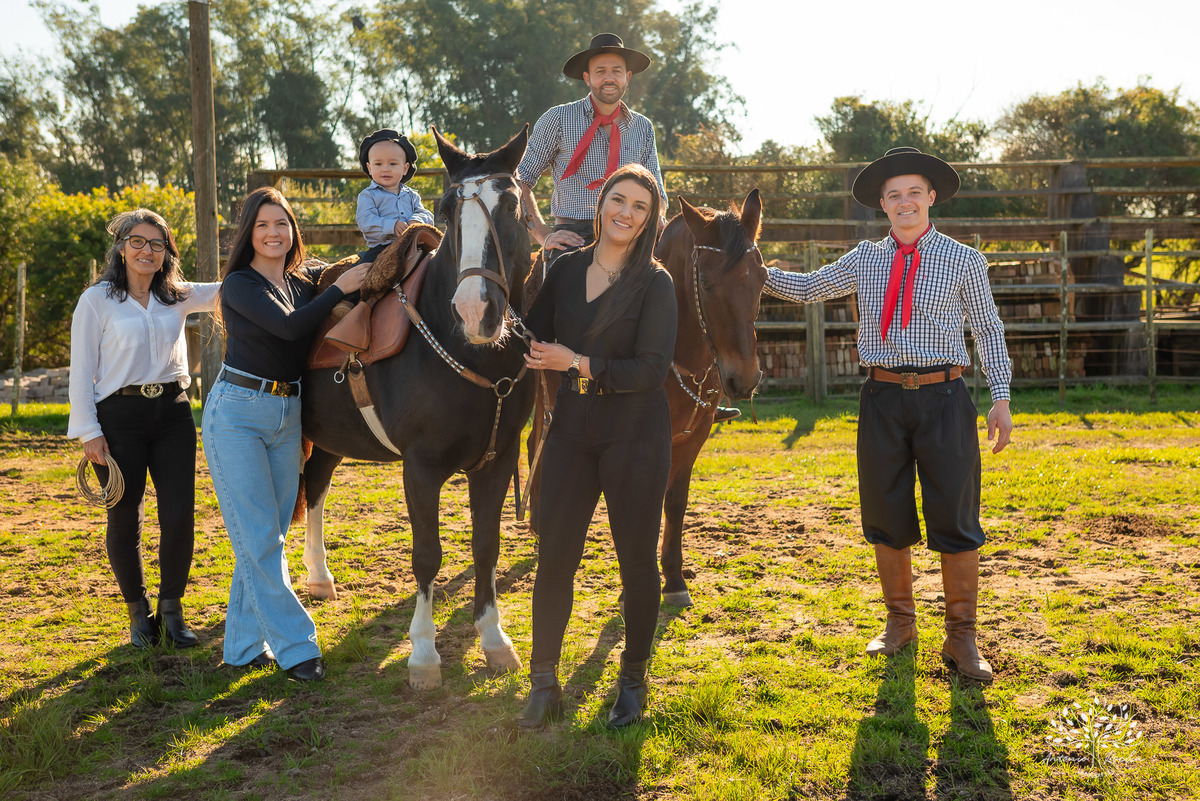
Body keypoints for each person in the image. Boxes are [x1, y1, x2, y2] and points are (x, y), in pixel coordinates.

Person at [762, 147, 1014, 683]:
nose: (905, 202)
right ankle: (901, 622)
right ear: (882, 203)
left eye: (914, 192)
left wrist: (1001, 396)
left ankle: (961, 637)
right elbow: (808, 288)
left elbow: (988, 329)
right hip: (881, 398)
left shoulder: (964, 259)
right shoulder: (865, 259)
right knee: (885, 511)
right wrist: (750, 266)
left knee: (955, 514)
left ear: (931, 199)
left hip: (944, 398)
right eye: (894, 194)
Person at [518, 164, 677, 728]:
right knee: (555, 554)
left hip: (634, 433)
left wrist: (577, 362)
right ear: (601, 202)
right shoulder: (563, 270)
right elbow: (531, 331)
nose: (626, 212)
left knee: (635, 560)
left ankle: (632, 682)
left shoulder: (655, 282)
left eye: (639, 205)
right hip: (572, 428)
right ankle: (543, 683)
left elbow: (652, 369)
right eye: (618, 199)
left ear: (649, 218)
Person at [517, 31, 738, 423]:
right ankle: (549, 391)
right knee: (548, 294)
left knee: (679, 288)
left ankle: (692, 391)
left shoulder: (642, 128)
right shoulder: (558, 119)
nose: (609, 77)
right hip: (574, 233)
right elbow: (520, 181)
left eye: (616, 71)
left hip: (634, 231)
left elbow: (658, 191)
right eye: (600, 70)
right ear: (587, 77)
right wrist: (542, 234)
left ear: (627, 78)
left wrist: (656, 234)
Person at [203, 187, 367, 680]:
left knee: (266, 537)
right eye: (262, 226)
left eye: (282, 224)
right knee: (260, 541)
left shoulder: (302, 284)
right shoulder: (239, 285)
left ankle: (241, 648)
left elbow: (334, 292)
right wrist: (339, 291)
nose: (273, 233)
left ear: (293, 230)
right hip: (238, 413)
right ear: (249, 235)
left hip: (286, 413)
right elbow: (292, 330)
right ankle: (298, 648)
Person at [68, 208, 220, 649]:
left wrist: (278, 256)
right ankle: (139, 615)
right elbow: (82, 373)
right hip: (118, 419)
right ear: (121, 247)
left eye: (157, 243)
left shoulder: (176, 294)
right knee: (124, 514)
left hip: (173, 413)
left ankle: (171, 610)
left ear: (166, 251)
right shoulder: (96, 300)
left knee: (178, 514)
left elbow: (229, 292)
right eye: (137, 241)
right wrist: (89, 432)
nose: (146, 251)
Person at [335, 129, 436, 318]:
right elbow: (366, 220)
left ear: (405, 168)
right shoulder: (368, 195)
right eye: (378, 164)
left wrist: (417, 220)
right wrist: (391, 225)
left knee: (433, 261)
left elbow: (425, 213)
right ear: (369, 167)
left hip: (411, 245)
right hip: (382, 246)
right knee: (364, 269)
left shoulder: (412, 195)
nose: (385, 169)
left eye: (392, 163)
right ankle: (349, 301)